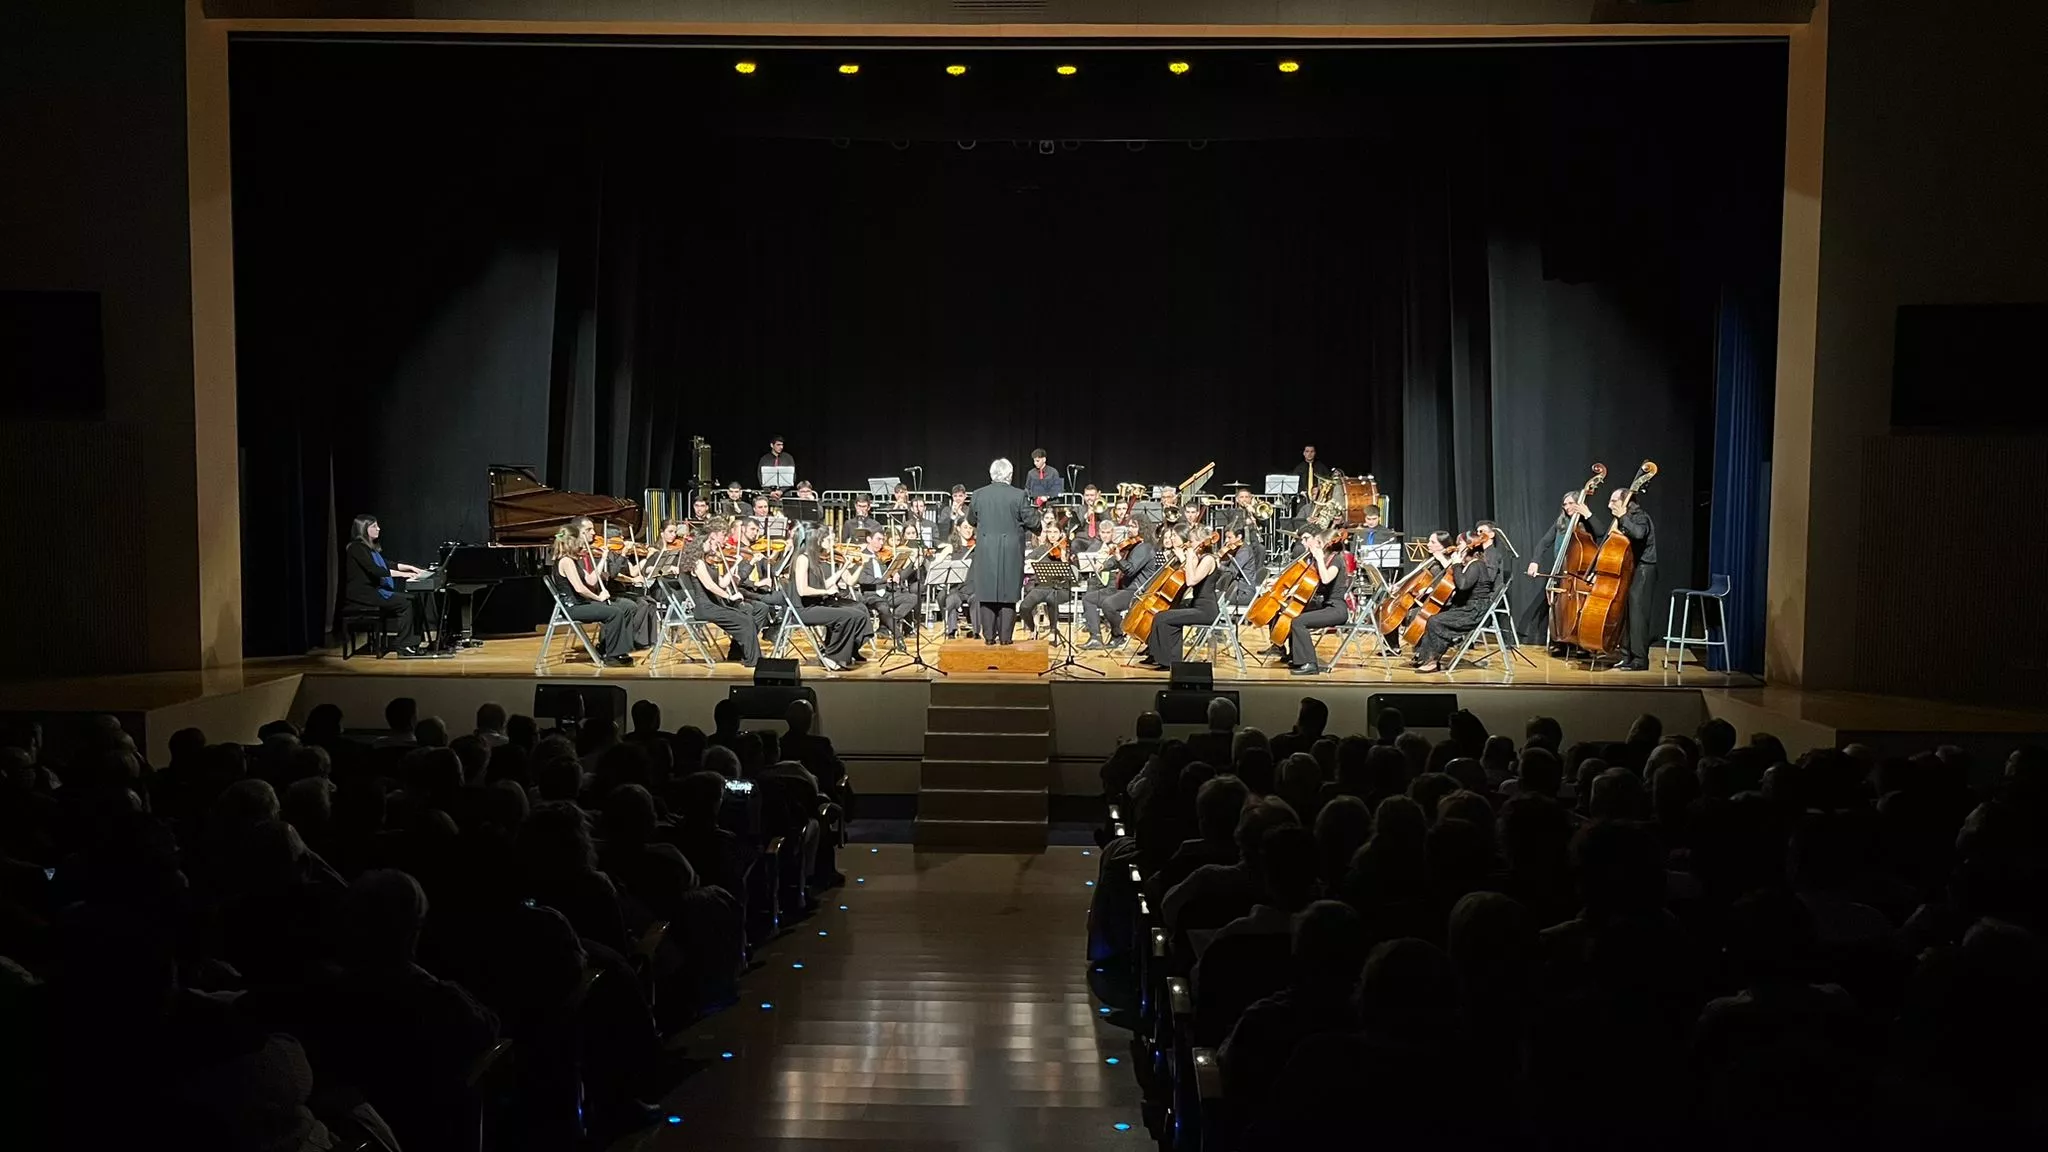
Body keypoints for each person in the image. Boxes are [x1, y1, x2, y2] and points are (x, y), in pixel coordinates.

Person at [1571, 486, 1658, 670]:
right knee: (1625, 614)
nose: (1609, 505)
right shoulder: (1621, 518)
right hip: (1629, 569)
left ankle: (1640, 660)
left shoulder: (1639, 516)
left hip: (1644, 569)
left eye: (1613, 501)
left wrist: (1622, 516)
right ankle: (1626, 656)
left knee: (1637, 614)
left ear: (1625, 501)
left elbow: (1639, 534)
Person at [967, 458, 1039, 645]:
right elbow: (1033, 522)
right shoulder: (1019, 495)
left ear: (992, 474)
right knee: (1009, 593)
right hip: (1011, 552)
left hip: (985, 551)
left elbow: (971, 520)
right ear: (1010, 475)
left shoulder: (978, 494)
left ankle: (989, 637)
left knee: (986, 593)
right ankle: (1006, 639)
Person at [1412, 524, 1500, 674]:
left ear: (1469, 546)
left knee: (1435, 621)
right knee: (1432, 617)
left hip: (1474, 610)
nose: (1457, 546)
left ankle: (1432, 661)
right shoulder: (1470, 564)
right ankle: (1425, 657)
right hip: (1467, 607)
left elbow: (1463, 585)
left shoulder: (1477, 564)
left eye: (1460, 543)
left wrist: (1457, 564)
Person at [549, 517, 638, 666]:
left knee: (624, 608)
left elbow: (591, 580)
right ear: (572, 541)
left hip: (580, 603)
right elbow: (580, 588)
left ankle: (609, 649)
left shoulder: (572, 560)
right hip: (573, 607)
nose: (582, 544)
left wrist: (603, 558)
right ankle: (612, 656)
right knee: (614, 612)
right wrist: (598, 598)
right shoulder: (566, 561)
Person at [342, 513, 430, 656]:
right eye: (374, 526)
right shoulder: (356, 548)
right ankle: (403, 646)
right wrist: (404, 575)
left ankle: (413, 642)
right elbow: (376, 570)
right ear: (364, 529)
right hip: (364, 594)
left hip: (373, 591)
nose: (378, 529)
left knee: (414, 599)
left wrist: (412, 568)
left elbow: (388, 564)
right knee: (406, 603)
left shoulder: (369, 548)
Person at [789, 526, 871, 671]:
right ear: (817, 540)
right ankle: (832, 655)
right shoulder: (802, 558)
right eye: (828, 540)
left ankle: (841, 653)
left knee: (858, 614)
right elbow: (803, 590)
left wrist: (843, 568)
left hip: (815, 605)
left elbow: (824, 584)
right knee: (847, 617)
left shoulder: (814, 560)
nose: (831, 543)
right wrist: (825, 591)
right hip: (803, 610)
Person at [1141, 528, 1221, 671]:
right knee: (1163, 615)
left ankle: (1168, 661)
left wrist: (1189, 557)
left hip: (1206, 611)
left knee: (1162, 618)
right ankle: (1159, 657)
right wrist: (1188, 558)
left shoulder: (1209, 559)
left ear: (1201, 542)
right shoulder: (1200, 557)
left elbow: (1191, 581)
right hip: (1196, 606)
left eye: (1191, 541)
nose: (1189, 544)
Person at [688, 530, 765, 668]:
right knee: (745, 620)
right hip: (706, 607)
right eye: (709, 541)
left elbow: (722, 583)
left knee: (747, 615)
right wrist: (729, 596)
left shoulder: (707, 562)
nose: (711, 543)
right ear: (700, 544)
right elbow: (709, 586)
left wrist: (736, 564)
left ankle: (748, 656)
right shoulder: (698, 563)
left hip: (714, 605)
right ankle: (753, 660)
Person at [1079, 523, 1160, 651]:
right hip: (1121, 588)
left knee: (1109, 604)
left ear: (1142, 528)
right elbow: (1116, 560)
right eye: (1130, 526)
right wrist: (1104, 565)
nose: (1129, 529)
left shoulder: (1144, 548)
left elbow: (1130, 570)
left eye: (1134, 526)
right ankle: (1095, 638)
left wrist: (1117, 557)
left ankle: (1118, 635)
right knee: (1089, 599)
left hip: (1135, 590)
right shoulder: (1132, 545)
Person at [1282, 528, 1351, 676]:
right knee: (1292, 613)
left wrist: (1319, 559)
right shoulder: (1325, 560)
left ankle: (1310, 664)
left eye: (1319, 542)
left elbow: (1326, 579)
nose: (1316, 544)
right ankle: (1295, 657)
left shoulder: (1336, 560)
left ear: (1327, 544)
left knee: (1299, 622)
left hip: (1336, 609)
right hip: (1326, 605)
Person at [854, 527, 918, 650]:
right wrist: (884, 580)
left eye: (883, 540)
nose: (881, 543)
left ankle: (889, 622)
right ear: (869, 539)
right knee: (883, 608)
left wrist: (897, 572)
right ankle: (898, 636)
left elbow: (895, 572)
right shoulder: (860, 556)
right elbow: (863, 579)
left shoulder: (884, 556)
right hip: (871, 594)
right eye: (878, 539)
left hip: (887, 592)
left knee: (912, 598)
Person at [1019, 523, 1075, 641]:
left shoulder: (1066, 549)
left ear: (1061, 534)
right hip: (1042, 586)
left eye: (1055, 532)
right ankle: (1033, 629)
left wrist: (1064, 559)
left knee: (1052, 598)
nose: (1052, 535)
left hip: (1061, 588)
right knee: (1024, 607)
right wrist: (1030, 562)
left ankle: (1053, 630)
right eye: (1049, 532)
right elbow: (1026, 560)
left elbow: (1074, 571)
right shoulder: (1042, 549)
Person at [933, 522, 978, 639]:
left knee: (976, 599)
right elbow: (936, 565)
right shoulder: (952, 547)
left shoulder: (976, 547)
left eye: (970, 528)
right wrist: (946, 552)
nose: (968, 530)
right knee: (951, 599)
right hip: (957, 588)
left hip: (973, 587)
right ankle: (951, 631)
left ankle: (977, 632)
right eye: (965, 527)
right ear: (958, 528)